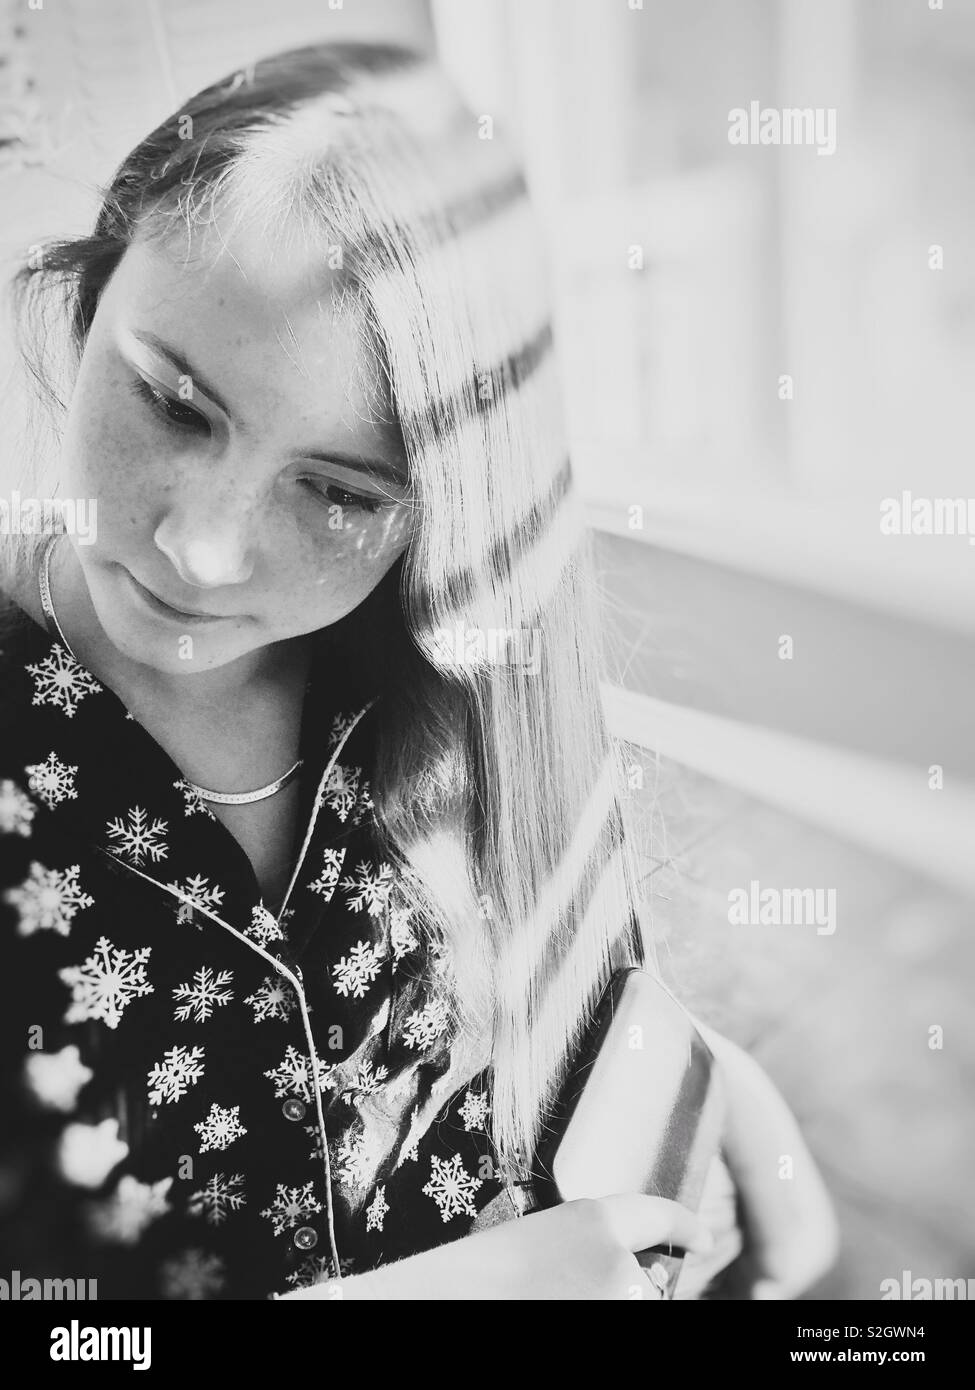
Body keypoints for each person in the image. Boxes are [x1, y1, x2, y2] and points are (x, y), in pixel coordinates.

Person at [0, 41, 837, 1300]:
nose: (201, 550)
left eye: (337, 491)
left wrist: (749, 1148)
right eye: (175, 403)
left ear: (428, 516)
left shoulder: (439, 679)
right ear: (89, 297)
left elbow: (591, 1004)